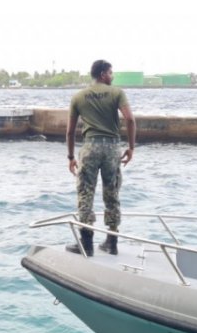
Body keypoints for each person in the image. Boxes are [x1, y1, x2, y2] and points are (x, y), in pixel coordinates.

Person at [65, 59, 136, 257]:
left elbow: (70, 132)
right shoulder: (117, 93)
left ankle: (86, 244)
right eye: (111, 73)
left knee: (85, 193)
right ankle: (111, 242)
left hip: (90, 147)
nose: (112, 76)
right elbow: (130, 119)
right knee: (112, 193)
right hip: (112, 147)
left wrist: (71, 156)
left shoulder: (78, 97)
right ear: (104, 73)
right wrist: (131, 147)